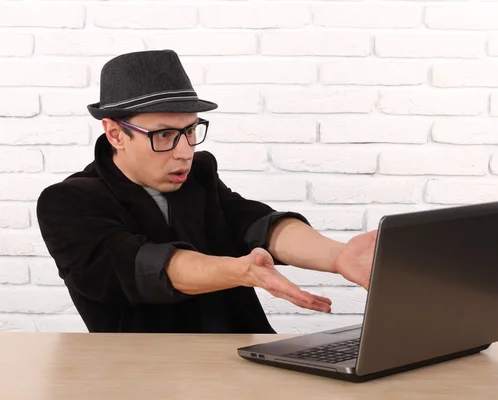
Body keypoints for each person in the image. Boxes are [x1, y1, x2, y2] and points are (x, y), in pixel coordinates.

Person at [36, 50, 377, 334]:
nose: (184, 150)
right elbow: (144, 267)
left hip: (240, 360)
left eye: (190, 130)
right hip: (140, 375)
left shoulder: (198, 175)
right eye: (164, 134)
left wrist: (338, 256)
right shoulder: (67, 204)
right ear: (115, 134)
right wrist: (242, 271)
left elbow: (255, 224)